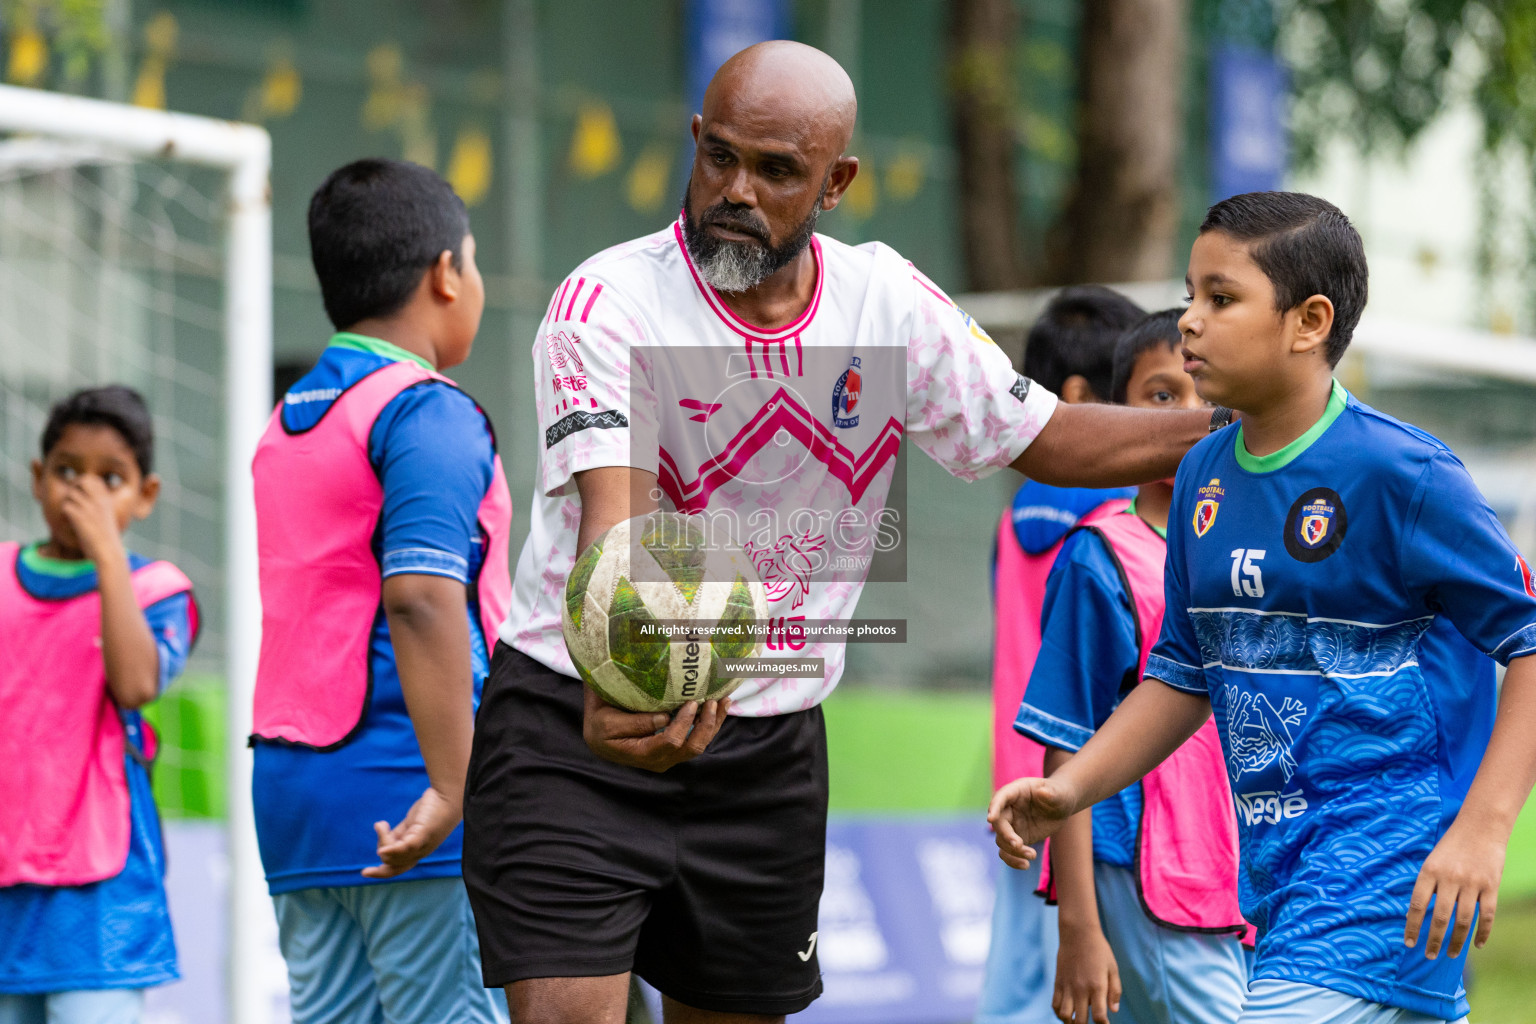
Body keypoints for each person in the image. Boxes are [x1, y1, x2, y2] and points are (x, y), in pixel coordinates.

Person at [465, 41, 1220, 1024]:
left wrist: (1238, 428)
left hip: (766, 746)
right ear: (696, 141)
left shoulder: (886, 304)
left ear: (835, 183)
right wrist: (632, 682)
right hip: (582, 723)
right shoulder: (609, 300)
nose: (736, 190)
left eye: (776, 170)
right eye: (720, 156)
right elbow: (623, 527)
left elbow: (1048, 434)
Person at [990, 192, 1536, 1024]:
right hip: (1279, 885)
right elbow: (1179, 680)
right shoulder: (1205, 477)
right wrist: (1072, 793)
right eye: (1189, 295)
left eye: (1221, 298)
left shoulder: (1404, 475)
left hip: (1389, 874)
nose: (1190, 324)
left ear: (1309, 321)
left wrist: (1483, 831)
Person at [249, 159, 512, 1024]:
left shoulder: (289, 421)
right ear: (446, 274)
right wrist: (452, 783)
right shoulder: (427, 411)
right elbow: (422, 595)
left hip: (295, 801)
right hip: (414, 787)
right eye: (472, 262)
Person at [1014, 310, 1249, 1024]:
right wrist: (1078, 923)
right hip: (1139, 872)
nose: (1188, 417)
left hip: (1227, 881)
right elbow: (1067, 743)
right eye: (1160, 396)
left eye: (1205, 399)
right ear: (1121, 420)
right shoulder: (1101, 558)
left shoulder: (1241, 562)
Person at [0, 386, 198, 1024]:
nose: (82, 492)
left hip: (101, 909)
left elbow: (137, 684)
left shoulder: (158, 591)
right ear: (36, 479)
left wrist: (108, 557)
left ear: (145, 496)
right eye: (66, 471)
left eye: (109, 478)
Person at [980, 285, 1143, 1024]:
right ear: (1080, 396)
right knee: (1088, 988)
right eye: (1146, 394)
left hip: (1013, 789)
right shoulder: (1116, 525)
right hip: (1088, 799)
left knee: (1018, 985)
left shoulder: (1013, 522)